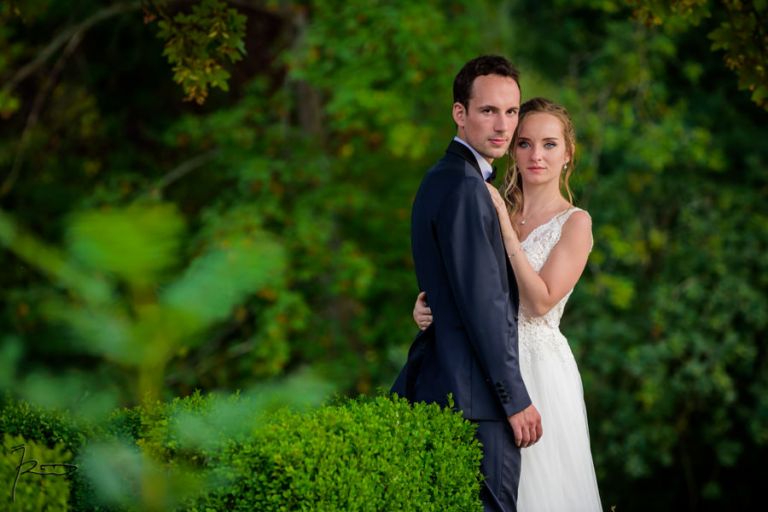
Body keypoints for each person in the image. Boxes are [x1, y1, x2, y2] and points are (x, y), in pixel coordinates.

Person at [413, 97, 603, 511]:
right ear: (512, 149)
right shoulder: (493, 202)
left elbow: (540, 302)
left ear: (568, 155)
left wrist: (504, 227)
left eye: (550, 145)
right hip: (486, 361)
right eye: (525, 143)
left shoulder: (575, 222)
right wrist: (429, 305)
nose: (536, 155)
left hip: (540, 371)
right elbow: (470, 282)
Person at [391, 55, 542, 512]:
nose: (502, 126)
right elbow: (485, 304)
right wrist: (514, 400)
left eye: (511, 112)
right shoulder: (463, 187)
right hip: (477, 401)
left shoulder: (444, 178)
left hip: (449, 386)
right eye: (488, 111)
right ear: (460, 113)